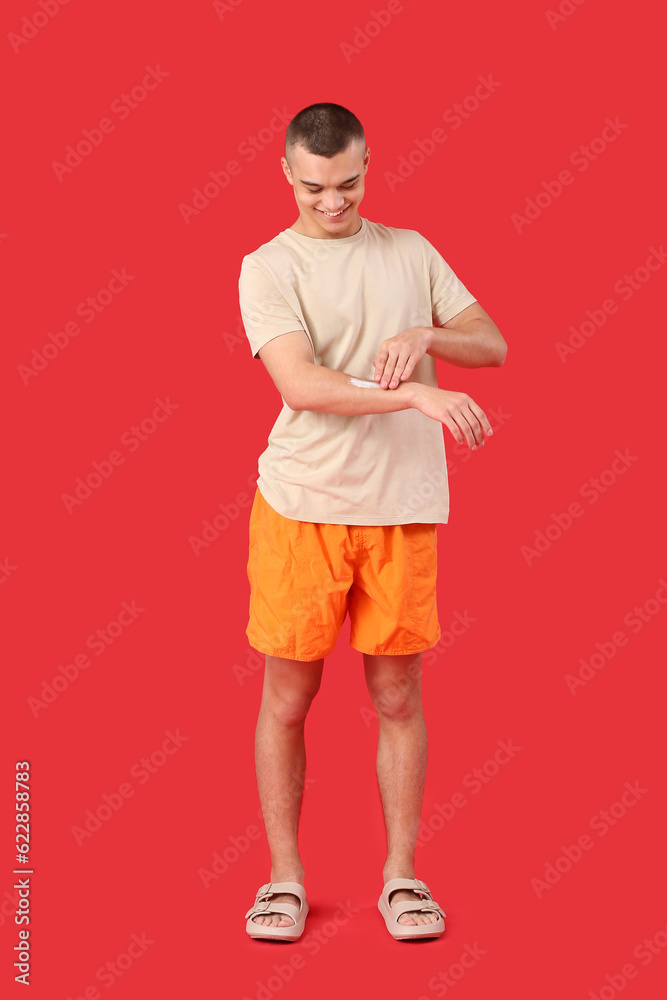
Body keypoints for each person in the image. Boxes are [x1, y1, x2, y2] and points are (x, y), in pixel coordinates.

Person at [238, 102, 507, 942]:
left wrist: (427, 332)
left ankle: (401, 877)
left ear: (367, 167)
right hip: (301, 507)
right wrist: (417, 389)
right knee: (289, 694)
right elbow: (302, 386)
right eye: (315, 185)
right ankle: (283, 879)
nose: (331, 201)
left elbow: (490, 343)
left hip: (401, 508)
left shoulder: (410, 251)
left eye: (348, 183)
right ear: (287, 173)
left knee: (397, 694)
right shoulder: (266, 267)